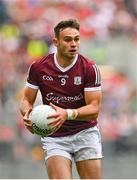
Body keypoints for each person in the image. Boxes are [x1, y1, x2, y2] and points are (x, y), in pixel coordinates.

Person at [20, 19, 103, 179]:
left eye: (76, 39)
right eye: (68, 39)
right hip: (55, 136)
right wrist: (27, 114)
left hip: (85, 133)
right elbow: (26, 99)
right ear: (56, 42)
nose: (73, 44)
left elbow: (94, 109)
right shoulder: (38, 67)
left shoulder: (89, 68)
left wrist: (67, 113)